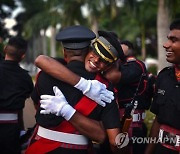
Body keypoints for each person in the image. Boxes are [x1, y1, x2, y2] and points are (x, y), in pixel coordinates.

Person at [26, 26, 124, 154]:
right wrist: (84, 86)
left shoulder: (46, 73)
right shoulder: (105, 90)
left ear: (64, 52)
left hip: (40, 147)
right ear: (88, 50)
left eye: (103, 60)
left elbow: (36, 104)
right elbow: (110, 139)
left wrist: (65, 112)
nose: (96, 61)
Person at [145, 19, 180, 154]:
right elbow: (158, 119)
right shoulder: (164, 77)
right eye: (168, 39)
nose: (166, 45)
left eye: (174, 40)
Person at [0, 36, 34, 154]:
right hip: (11, 131)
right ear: (23, 56)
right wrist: (22, 130)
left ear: (5, 49)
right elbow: (20, 107)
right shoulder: (25, 78)